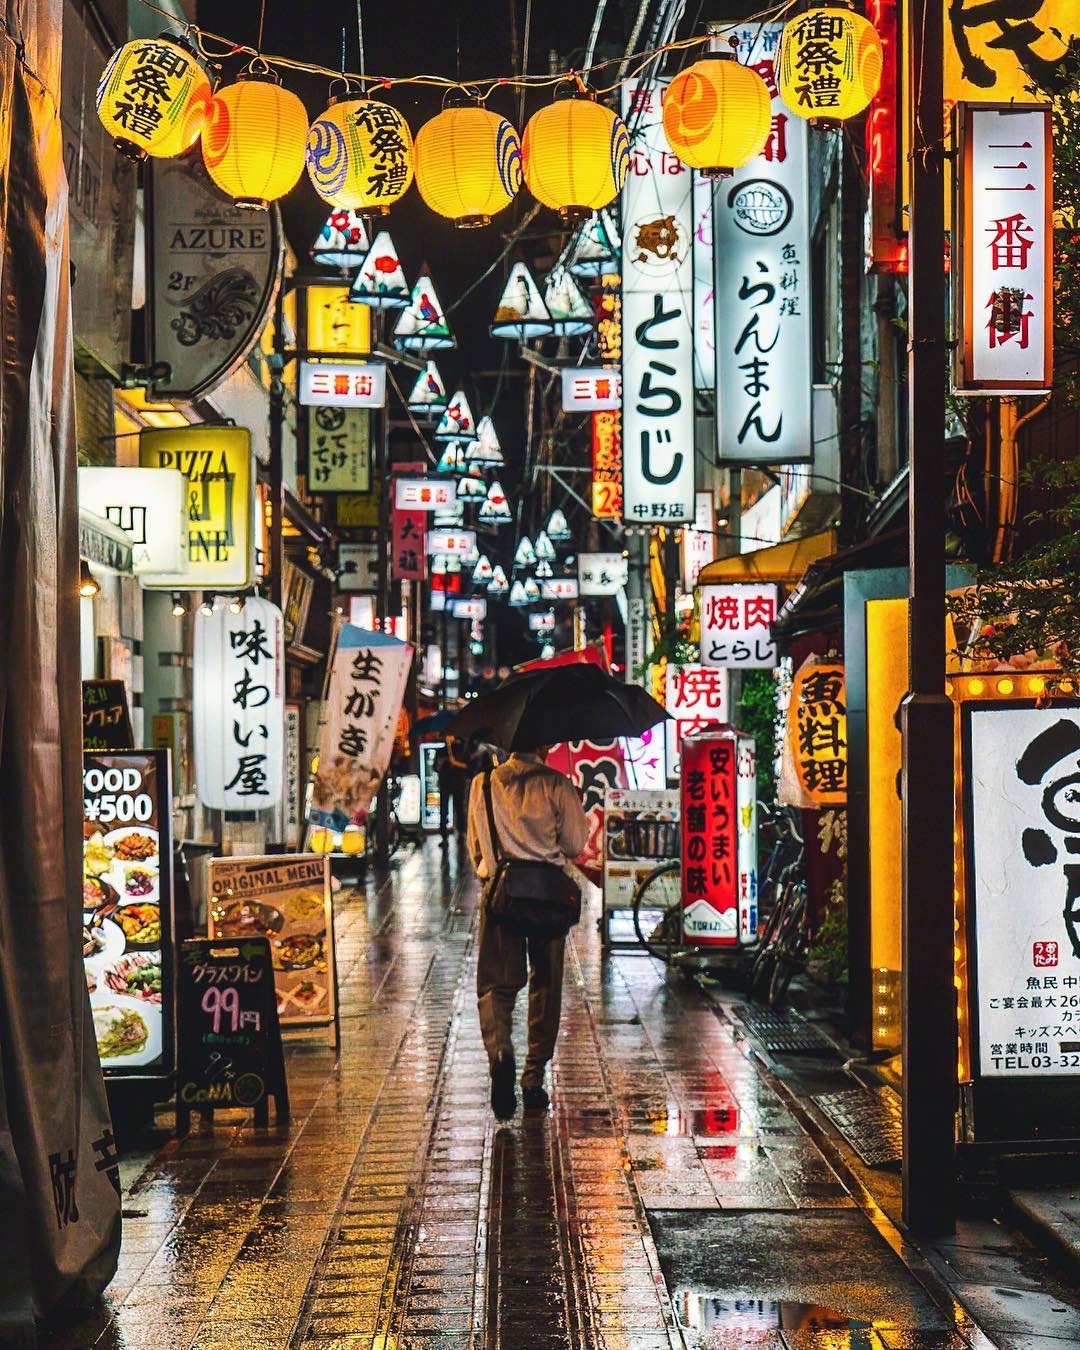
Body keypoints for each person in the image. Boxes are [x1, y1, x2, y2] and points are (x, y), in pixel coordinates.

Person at [466, 746, 589, 1119]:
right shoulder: (557, 784)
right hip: (548, 898)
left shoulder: (483, 783)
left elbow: (476, 848)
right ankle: (533, 1078)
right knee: (547, 984)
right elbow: (575, 845)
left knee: (495, 985)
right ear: (544, 745)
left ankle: (501, 1050)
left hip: (501, 893)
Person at [436, 734, 469, 842]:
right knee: (443, 810)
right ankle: (444, 836)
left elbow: (467, 766)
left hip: (458, 783)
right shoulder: (441, 751)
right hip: (445, 783)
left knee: (459, 808)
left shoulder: (462, 749)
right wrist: (441, 764)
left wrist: (455, 762)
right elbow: (435, 767)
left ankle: (461, 833)